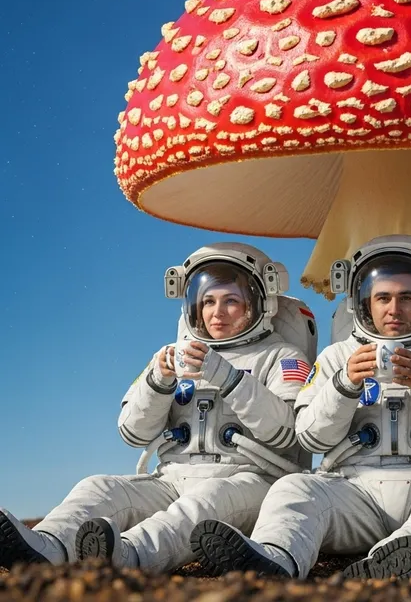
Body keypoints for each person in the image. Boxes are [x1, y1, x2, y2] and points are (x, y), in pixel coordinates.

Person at [189, 235, 411, 580]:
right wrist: (344, 386)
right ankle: (276, 558)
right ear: (364, 302)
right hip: (355, 491)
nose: (394, 309)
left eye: (407, 298)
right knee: (295, 487)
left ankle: (407, 553)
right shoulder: (337, 357)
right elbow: (310, 437)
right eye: (382, 297)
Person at [0, 242, 316, 573]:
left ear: (259, 304)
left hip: (247, 481)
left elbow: (288, 433)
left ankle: (130, 555)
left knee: (204, 501)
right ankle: (47, 546)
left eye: (231, 301)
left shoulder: (282, 358)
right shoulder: (171, 357)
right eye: (208, 301)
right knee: (100, 486)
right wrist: (159, 382)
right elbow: (132, 431)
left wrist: (226, 376)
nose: (216, 312)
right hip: (172, 477)